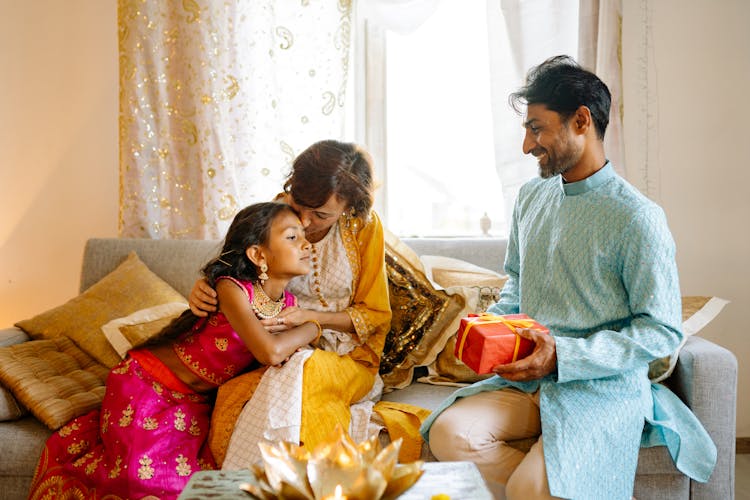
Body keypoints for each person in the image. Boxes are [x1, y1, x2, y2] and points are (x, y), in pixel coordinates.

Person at [420, 55, 716, 500]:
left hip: (600, 388)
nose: (525, 146)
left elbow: (661, 331)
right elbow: (516, 283)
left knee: (528, 487)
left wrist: (563, 356)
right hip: (526, 381)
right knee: (450, 434)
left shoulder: (637, 219)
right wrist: (489, 329)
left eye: (536, 128)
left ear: (581, 121)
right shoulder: (530, 198)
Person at [28, 202, 322, 500]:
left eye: (304, 236)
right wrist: (313, 326)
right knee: (137, 477)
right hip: (145, 384)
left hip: (193, 404)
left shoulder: (289, 308)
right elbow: (269, 352)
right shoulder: (232, 288)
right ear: (258, 255)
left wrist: (307, 324)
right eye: (292, 237)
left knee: (190, 485)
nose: (306, 244)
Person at [188, 139, 393, 467]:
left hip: (350, 356)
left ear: (348, 208)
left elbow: (377, 315)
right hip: (279, 352)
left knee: (305, 373)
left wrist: (311, 318)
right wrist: (204, 286)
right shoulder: (275, 214)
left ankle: (309, 481)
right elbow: (237, 271)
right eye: (300, 206)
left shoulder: (363, 228)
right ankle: (259, 485)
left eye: (322, 215)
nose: (306, 222)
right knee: (243, 396)